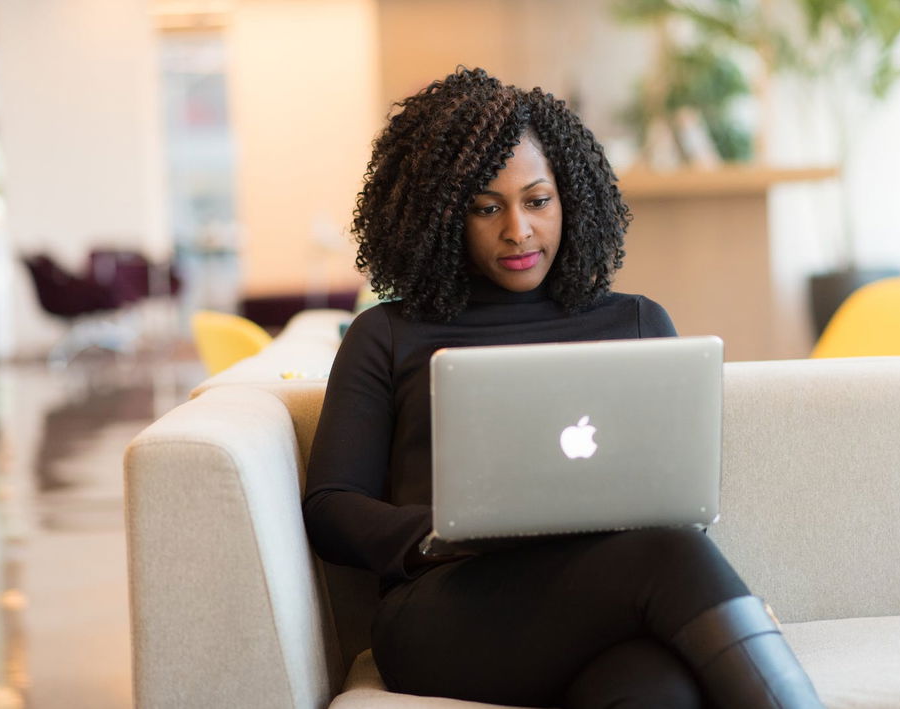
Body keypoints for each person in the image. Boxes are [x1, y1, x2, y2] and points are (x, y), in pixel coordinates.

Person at [303, 67, 824, 709]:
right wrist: (440, 533)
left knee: (655, 686)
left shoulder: (636, 322)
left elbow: (673, 491)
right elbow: (330, 505)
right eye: (486, 207)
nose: (518, 230)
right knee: (673, 559)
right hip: (448, 612)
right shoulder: (387, 333)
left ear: (570, 198)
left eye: (537, 200)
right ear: (440, 218)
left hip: (608, 600)